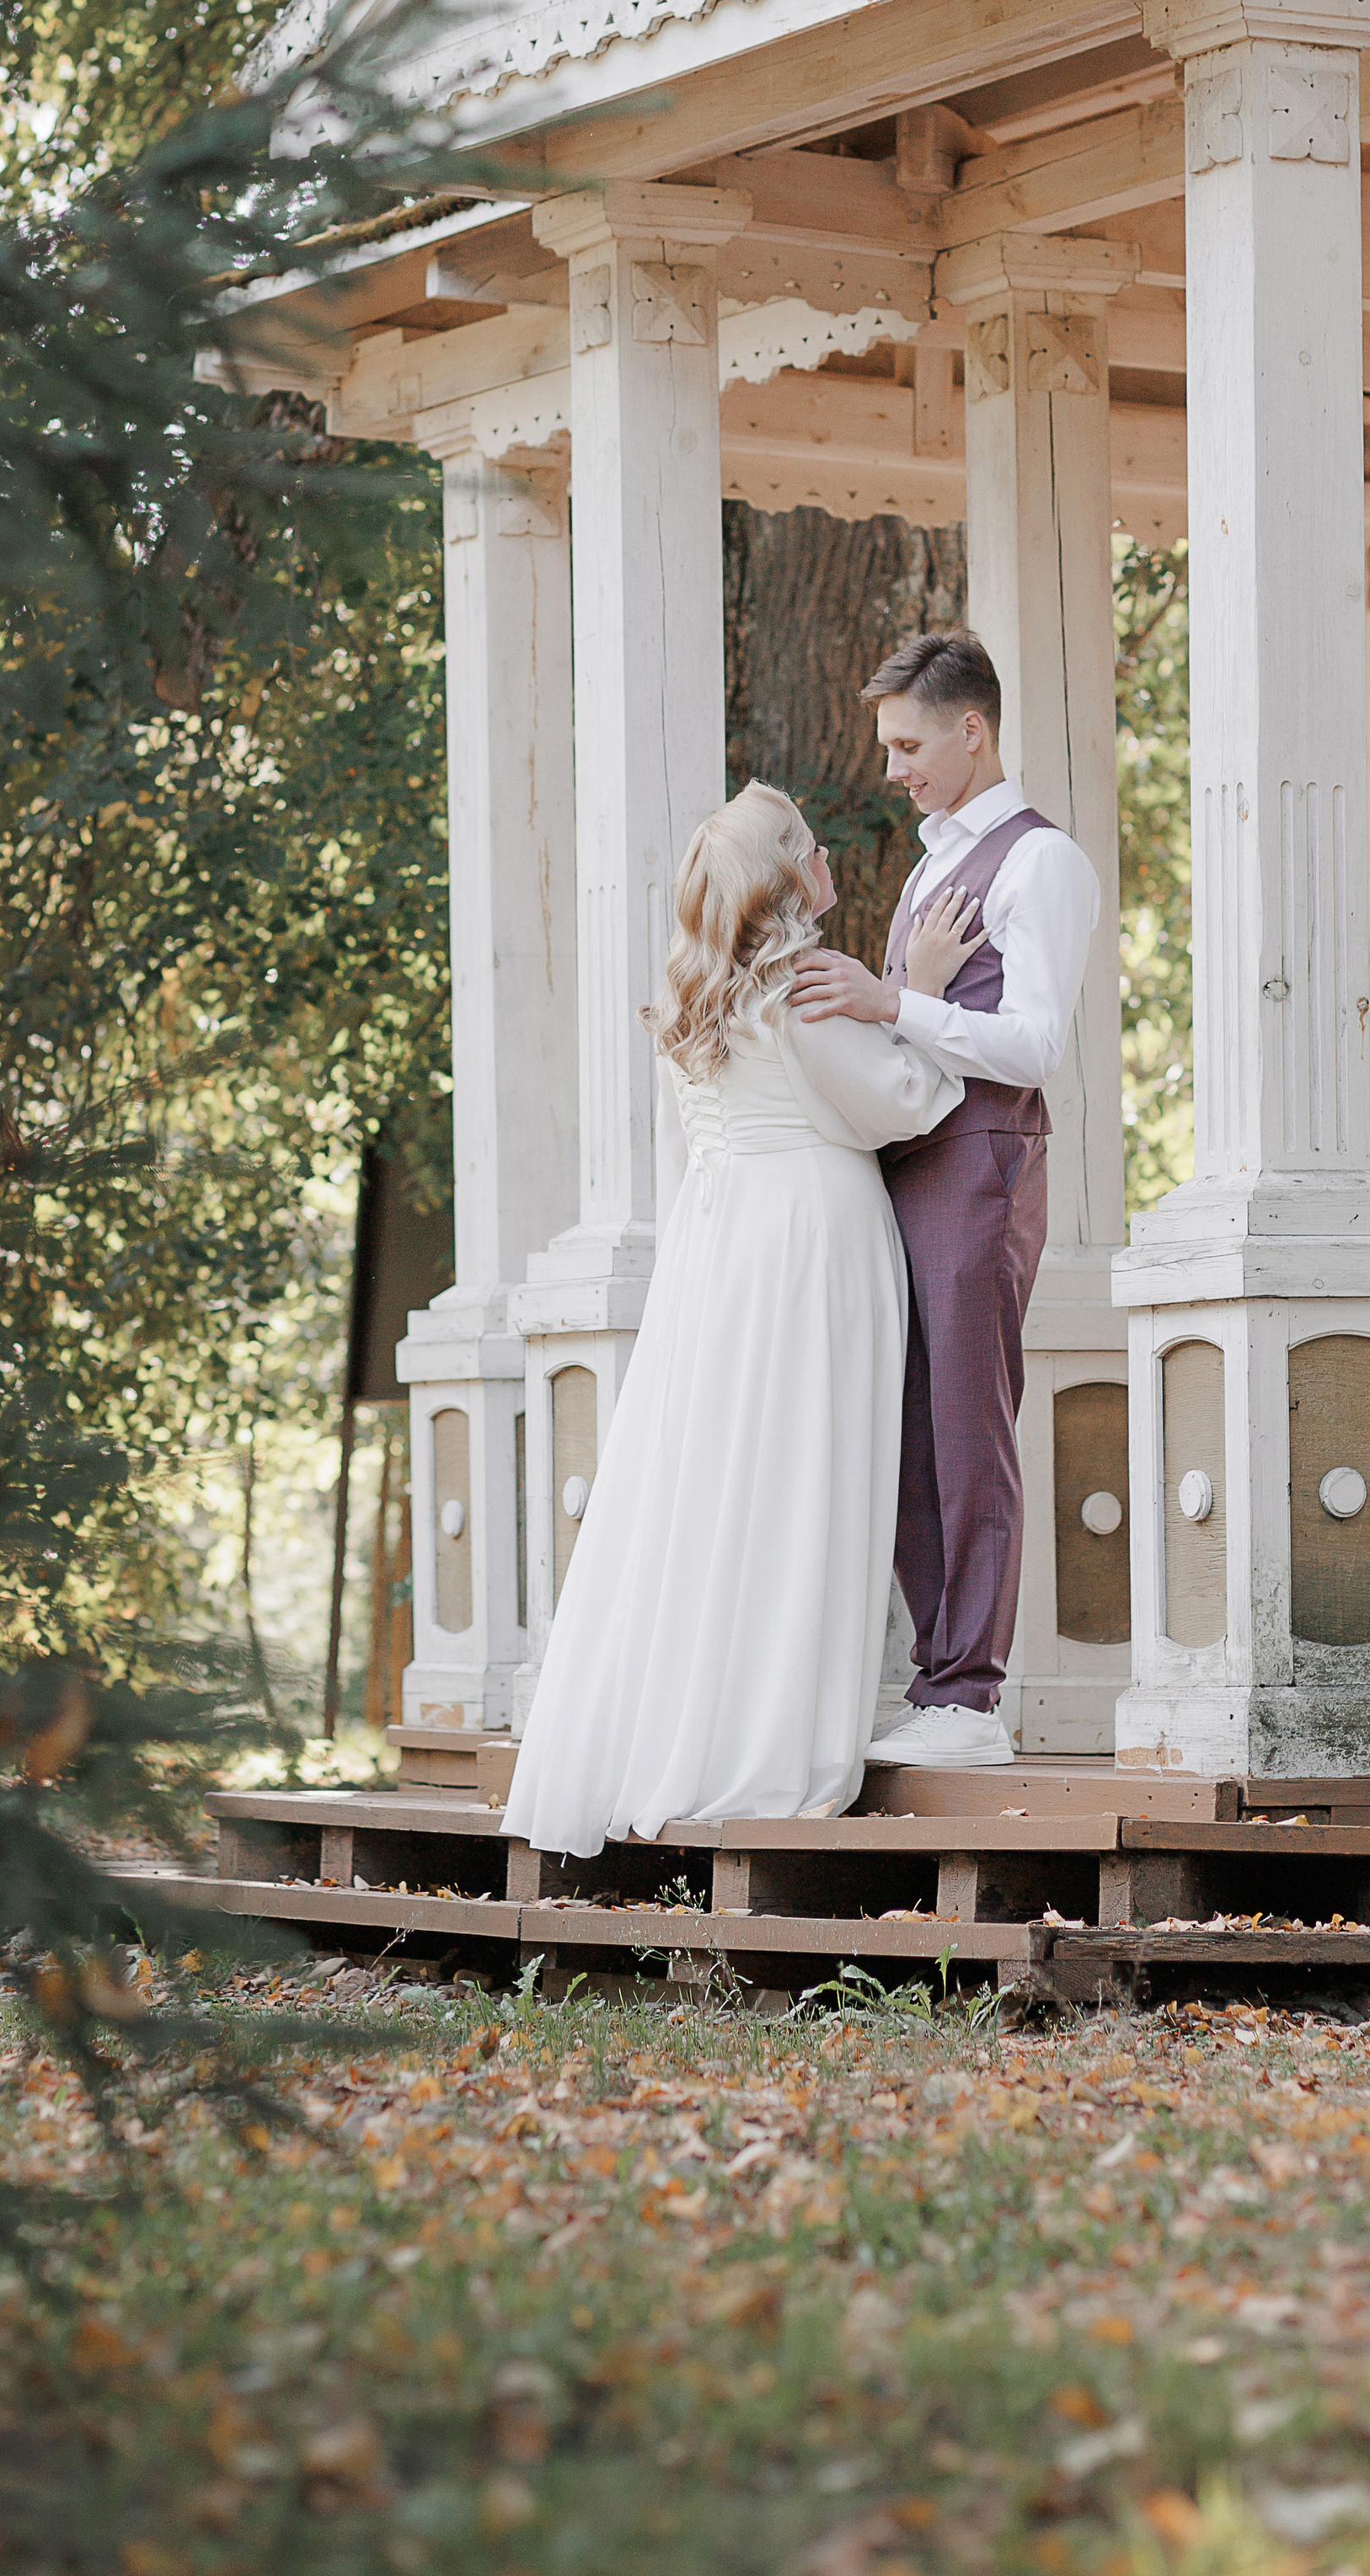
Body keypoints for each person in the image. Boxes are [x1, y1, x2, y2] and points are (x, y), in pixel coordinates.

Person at [503, 782, 973, 1858]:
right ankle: (762, 1746)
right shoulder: (800, 983)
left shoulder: (699, 991)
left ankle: (683, 1727)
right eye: (810, 848)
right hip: (807, 1241)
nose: (827, 860)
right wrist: (922, 988)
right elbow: (898, 1100)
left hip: (718, 1249)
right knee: (802, 1477)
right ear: (788, 875)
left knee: (717, 1488)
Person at [791, 629, 1100, 1772]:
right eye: (889, 747)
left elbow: (1032, 1042)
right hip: (911, 1160)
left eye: (910, 744)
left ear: (975, 729)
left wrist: (892, 1004)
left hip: (983, 1159)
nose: (897, 768)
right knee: (911, 1424)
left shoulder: (1041, 864)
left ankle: (971, 1696)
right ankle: (936, 1679)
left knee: (970, 1428)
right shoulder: (932, 863)